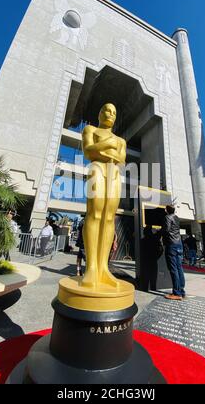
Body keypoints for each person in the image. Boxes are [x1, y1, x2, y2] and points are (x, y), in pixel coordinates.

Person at [82, 103, 126, 289]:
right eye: (107, 110)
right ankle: (91, 267)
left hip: (114, 172)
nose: (110, 114)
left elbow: (121, 160)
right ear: (100, 113)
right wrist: (107, 146)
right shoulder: (90, 129)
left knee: (109, 218)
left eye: (114, 112)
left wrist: (101, 150)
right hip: (97, 168)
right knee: (95, 213)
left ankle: (103, 268)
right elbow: (88, 151)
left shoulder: (121, 140)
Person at [160, 205, 185, 301]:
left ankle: (177, 293)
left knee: (173, 269)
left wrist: (158, 232)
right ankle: (182, 292)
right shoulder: (177, 217)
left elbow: (166, 230)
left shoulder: (167, 217)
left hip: (171, 245)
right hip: (179, 244)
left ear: (166, 210)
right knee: (179, 268)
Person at [140, 226, 164, 292]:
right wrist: (157, 256)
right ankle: (153, 287)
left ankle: (145, 288)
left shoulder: (142, 240)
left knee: (146, 273)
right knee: (153, 274)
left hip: (146, 259)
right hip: (153, 258)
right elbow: (161, 249)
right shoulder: (155, 238)